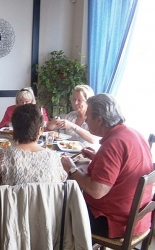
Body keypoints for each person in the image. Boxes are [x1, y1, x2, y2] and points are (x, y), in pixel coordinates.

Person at [61, 93, 153, 238]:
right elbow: (123, 166)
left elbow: (96, 190)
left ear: (99, 120)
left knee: (60, 211)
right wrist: (98, 158)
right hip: (139, 218)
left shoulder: (113, 144)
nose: (85, 119)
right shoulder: (133, 133)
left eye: (88, 116)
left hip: (113, 222)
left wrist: (71, 168)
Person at [0, 104, 67, 204]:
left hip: (11, 218)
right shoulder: (54, 157)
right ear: (40, 130)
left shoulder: (2, 156)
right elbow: (61, 192)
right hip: (47, 218)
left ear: (14, 129)